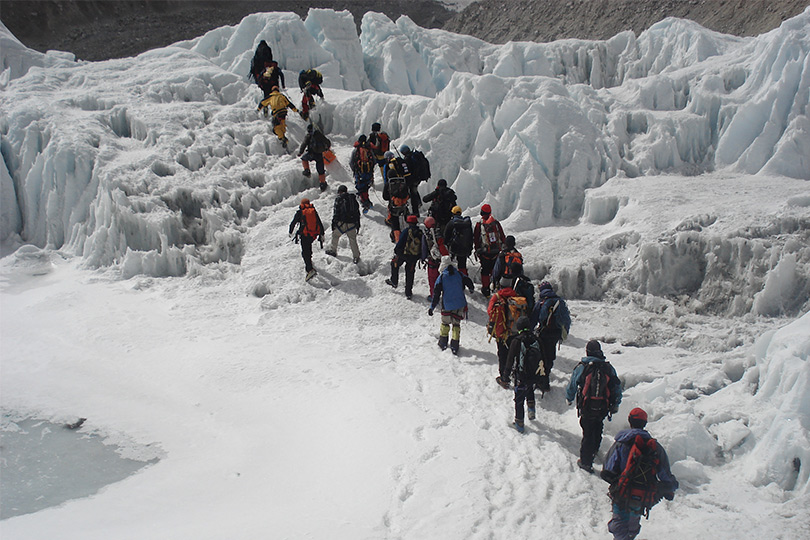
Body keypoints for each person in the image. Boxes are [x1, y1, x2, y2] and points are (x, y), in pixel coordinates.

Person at [601, 408, 679, 540]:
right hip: (643, 493)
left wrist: (616, 479)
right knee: (633, 520)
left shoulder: (621, 443)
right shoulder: (655, 447)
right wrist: (671, 487)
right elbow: (665, 473)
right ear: (645, 423)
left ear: (630, 421)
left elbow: (608, 468)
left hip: (622, 489)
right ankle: (631, 535)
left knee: (619, 522)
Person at [565, 340, 622, 473]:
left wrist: (569, 397)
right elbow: (616, 387)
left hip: (587, 406)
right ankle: (594, 450)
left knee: (588, 431)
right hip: (603, 406)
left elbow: (573, 384)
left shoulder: (582, 367)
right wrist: (616, 403)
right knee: (598, 426)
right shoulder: (608, 368)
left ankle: (586, 462)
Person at [502, 315, 543, 433]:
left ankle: (519, 423)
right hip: (534, 373)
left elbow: (510, 360)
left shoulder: (517, 341)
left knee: (519, 399)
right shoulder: (536, 339)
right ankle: (531, 409)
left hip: (521, 375)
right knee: (530, 388)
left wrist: (505, 376)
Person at [530, 281, 571, 392]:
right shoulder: (560, 302)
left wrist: (529, 331)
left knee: (541, 356)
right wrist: (564, 334)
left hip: (544, 333)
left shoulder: (541, 302)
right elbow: (566, 320)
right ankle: (546, 377)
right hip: (556, 333)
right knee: (550, 355)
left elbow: (534, 319)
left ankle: (542, 381)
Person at [429, 256, 474, 355]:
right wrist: (471, 289)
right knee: (456, 324)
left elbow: (436, 294)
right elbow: (468, 281)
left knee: (445, 324)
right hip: (460, 304)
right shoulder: (459, 274)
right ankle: (455, 345)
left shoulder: (441, 277)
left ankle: (443, 342)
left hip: (447, 305)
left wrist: (432, 307)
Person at [487, 284, 528, 389]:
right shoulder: (516, 296)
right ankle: (515, 373)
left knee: (503, 354)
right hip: (514, 331)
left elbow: (490, 311)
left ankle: (504, 378)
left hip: (502, 333)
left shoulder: (497, 297)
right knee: (513, 353)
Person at [385, 215, 423, 299]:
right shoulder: (420, 233)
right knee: (410, 273)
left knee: (394, 264)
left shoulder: (406, 231)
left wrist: (397, 252)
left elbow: (400, 243)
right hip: (413, 257)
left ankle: (394, 281)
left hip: (403, 254)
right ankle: (408, 292)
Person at [473, 204, 506, 297]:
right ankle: (496, 287)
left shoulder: (479, 224)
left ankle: (486, 289)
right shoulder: (496, 223)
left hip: (485, 252)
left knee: (485, 271)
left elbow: (476, 239)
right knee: (495, 269)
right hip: (496, 251)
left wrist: (477, 250)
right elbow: (502, 236)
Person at [288, 198, 325, 280]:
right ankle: (310, 262)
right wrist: (322, 233)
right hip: (313, 235)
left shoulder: (300, 212)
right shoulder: (313, 211)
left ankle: (309, 269)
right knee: (308, 248)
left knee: (305, 252)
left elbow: (293, 223)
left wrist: (290, 231)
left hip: (304, 235)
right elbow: (319, 222)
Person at [327, 185, 361, 264]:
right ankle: (356, 256)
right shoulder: (352, 199)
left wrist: (334, 223)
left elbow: (336, 212)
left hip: (341, 223)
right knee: (352, 239)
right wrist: (358, 223)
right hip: (352, 223)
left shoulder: (339, 199)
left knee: (335, 236)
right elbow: (357, 212)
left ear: (339, 191)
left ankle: (333, 250)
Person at [422, 216, 448, 302]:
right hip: (441, 260)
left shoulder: (427, 235)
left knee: (432, 279)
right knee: (442, 278)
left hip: (432, 261)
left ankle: (433, 296)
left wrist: (423, 258)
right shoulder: (439, 233)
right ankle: (444, 294)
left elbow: (424, 248)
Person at [298, 124, 330, 191]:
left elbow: (304, 144)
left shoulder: (308, 136)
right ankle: (322, 184)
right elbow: (327, 142)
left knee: (304, 159)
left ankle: (307, 170)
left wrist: (300, 152)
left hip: (311, 153)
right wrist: (327, 148)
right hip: (319, 155)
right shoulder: (319, 135)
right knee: (321, 171)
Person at [400, 145, 430, 215]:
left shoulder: (407, 159)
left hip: (413, 179)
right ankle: (418, 204)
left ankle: (415, 212)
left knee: (413, 194)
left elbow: (407, 171)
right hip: (418, 178)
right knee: (414, 191)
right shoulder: (415, 155)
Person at [443, 206, 473, 275]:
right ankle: (463, 277)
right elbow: (471, 236)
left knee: (451, 264)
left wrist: (447, 245)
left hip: (454, 247)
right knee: (462, 265)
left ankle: (453, 277)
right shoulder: (466, 223)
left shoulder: (451, 223)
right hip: (465, 247)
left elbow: (446, 235)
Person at [350, 134, 375, 213]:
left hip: (359, 172)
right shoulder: (369, 149)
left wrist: (354, 170)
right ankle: (367, 200)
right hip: (368, 172)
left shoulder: (356, 150)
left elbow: (351, 162)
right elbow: (374, 160)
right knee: (366, 186)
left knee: (360, 187)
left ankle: (364, 202)